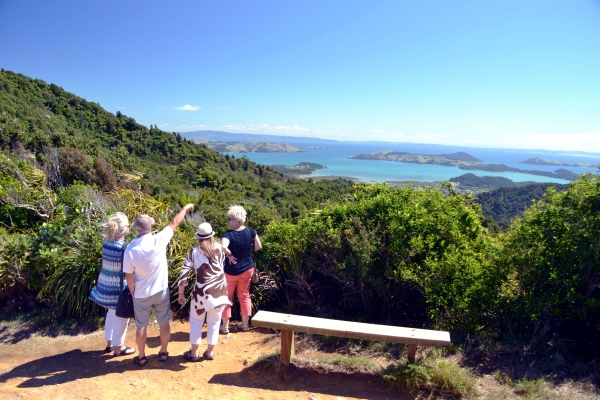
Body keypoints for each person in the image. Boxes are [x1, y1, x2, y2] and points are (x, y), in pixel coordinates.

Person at [123, 203, 194, 366]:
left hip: (141, 293)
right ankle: (163, 352)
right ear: (149, 228)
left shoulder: (131, 249)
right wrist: (184, 208)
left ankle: (141, 357)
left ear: (136, 229)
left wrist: (133, 292)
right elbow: (175, 222)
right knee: (164, 322)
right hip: (160, 291)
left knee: (141, 325)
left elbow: (128, 275)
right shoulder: (159, 240)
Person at [178, 222, 230, 361]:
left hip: (202, 294)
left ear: (198, 238)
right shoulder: (220, 248)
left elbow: (183, 275)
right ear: (212, 235)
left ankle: (194, 353)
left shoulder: (194, 253)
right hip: (220, 291)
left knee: (196, 321)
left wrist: (181, 293)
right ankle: (209, 353)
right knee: (214, 322)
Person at [89, 212, 136, 357]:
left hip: (105, 285)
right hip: (118, 288)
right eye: (128, 225)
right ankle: (119, 347)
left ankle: (109, 343)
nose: (130, 227)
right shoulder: (125, 248)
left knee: (111, 313)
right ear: (123, 229)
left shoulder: (106, 244)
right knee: (122, 316)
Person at [220, 205, 262, 333]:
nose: (228, 221)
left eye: (230, 218)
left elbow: (223, 247)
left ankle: (225, 326)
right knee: (245, 296)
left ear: (237, 220)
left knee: (226, 297)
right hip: (247, 268)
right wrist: (246, 252)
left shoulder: (228, 234)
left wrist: (230, 255)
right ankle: (245, 325)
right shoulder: (251, 231)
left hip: (231, 271)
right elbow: (259, 246)